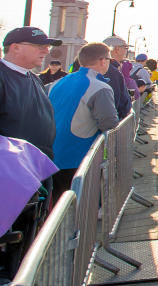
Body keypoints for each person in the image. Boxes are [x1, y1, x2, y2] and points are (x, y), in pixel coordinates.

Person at [47, 42, 119, 200]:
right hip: (80, 157)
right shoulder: (100, 87)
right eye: (109, 59)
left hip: (53, 155)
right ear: (102, 60)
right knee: (80, 211)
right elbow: (110, 123)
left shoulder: (57, 83)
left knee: (59, 209)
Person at [0, 27, 59, 161]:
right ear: (15, 47)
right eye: (40, 46)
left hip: (37, 166)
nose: (46, 51)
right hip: (11, 171)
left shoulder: (34, 78)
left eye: (47, 46)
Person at [99, 36, 133, 119]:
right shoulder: (111, 71)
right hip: (112, 124)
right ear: (117, 49)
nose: (126, 51)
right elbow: (115, 100)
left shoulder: (108, 68)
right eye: (125, 48)